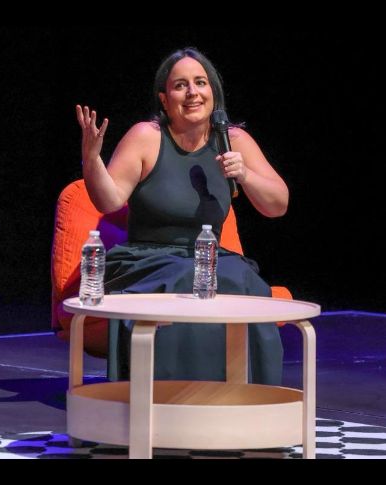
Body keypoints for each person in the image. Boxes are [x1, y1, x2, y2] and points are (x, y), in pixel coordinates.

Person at [75, 47, 289, 385]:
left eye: (200, 82)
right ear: (164, 98)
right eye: (180, 85)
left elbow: (278, 204)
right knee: (185, 279)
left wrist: (245, 174)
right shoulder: (147, 136)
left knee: (244, 280)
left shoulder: (233, 140)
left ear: (213, 93)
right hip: (146, 261)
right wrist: (91, 160)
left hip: (209, 257)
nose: (192, 92)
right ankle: (170, 397)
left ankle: (246, 399)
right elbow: (109, 199)